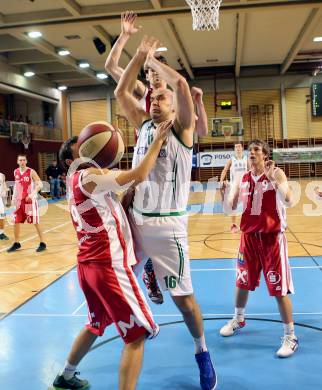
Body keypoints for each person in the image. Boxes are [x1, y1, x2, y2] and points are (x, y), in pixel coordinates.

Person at [115, 35, 217, 390]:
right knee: (114, 276)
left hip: (169, 227)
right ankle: (141, 291)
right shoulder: (143, 125)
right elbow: (119, 92)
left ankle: (202, 352)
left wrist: (154, 63)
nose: (154, 100)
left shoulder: (183, 130)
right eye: (152, 97)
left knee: (185, 304)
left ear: (174, 106)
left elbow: (182, 85)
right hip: (135, 221)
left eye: (161, 97)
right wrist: (138, 53)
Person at [52, 120, 171, 390]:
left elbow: (112, 208)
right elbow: (139, 174)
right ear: (72, 159)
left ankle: (66, 376)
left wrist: (128, 196)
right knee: (137, 335)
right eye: (80, 146)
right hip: (108, 267)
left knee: (95, 323)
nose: (85, 148)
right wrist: (158, 141)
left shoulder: (80, 182)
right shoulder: (88, 177)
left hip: (88, 266)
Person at [105, 11, 209, 305]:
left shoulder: (173, 99)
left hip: (168, 158)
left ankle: (154, 265)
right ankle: (144, 271)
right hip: (144, 162)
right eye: (149, 72)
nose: (151, 77)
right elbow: (112, 67)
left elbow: (201, 128)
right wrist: (125, 37)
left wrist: (198, 102)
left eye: (156, 72)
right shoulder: (142, 94)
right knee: (134, 209)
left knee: (161, 216)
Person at [220, 140, 298, 358]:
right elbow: (230, 209)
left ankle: (290, 336)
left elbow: (290, 201)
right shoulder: (242, 178)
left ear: (265, 155)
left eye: (256, 150)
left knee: (278, 289)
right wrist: (222, 196)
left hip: (272, 240)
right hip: (248, 240)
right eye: (249, 150)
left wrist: (275, 181)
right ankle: (238, 318)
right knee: (242, 282)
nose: (251, 153)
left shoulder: (277, 174)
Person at [7, 154, 46, 253]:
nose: (22, 162)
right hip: (19, 202)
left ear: (26, 161)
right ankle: (16, 243)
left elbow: (40, 184)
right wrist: (13, 198)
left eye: (24, 160)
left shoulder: (31, 171)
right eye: (20, 160)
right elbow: (16, 185)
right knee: (15, 221)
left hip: (29, 202)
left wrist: (32, 194)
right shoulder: (15, 171)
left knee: (35, 222)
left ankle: (42, 243)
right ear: (17, 161)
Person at [220, 143, 249, 233]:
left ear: (242, 148)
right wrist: (221, 181)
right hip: (234, 186)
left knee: (249, 205)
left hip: (244, 185)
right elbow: (225, 170)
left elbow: (251, 169)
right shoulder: (231, 160)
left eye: (239, 147)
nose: (237, 148)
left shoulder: (246, 159)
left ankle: (247, 224)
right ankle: (233, 225)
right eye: (236, 147)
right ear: (234, 149)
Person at [0, 172, 9, 240]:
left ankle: (1, 233)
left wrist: (6, 200)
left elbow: (4, 187)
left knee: (2, 216)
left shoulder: (2, 175)